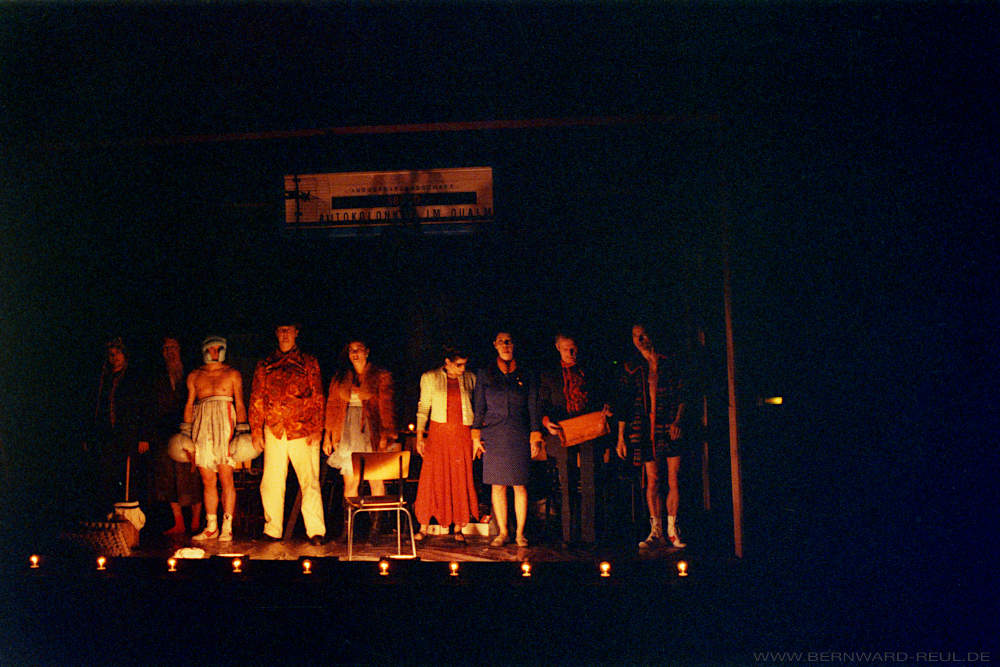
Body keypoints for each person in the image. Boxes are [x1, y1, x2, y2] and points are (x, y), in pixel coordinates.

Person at [251, 322, 326, 545]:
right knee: (271, 481)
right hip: (274, 429)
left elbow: (318, 396)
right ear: (276, 333)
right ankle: (272, 529)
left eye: (289, 330)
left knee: (309, 481)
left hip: (302, 429)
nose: (285, 334)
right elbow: (257, 398)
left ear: (296, 333)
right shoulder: (265, 364)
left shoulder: (308, 362)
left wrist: (317, 428)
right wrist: (256, 431)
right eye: (281, 330)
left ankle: (316, 530)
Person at [616, 323, 688, 549]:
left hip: (668, 425)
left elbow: (683, 394)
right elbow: (624, 403)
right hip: (645, 429)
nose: (640, 340)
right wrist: (621, 437)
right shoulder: (632, 368)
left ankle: (672, 530)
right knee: (653, 479)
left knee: (674, 478)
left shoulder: (669, 362)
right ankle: (655, 530)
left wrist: (678, 420)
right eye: (635, 336)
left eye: (643, 335)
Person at [471, 331, 543, 548]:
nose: (505, 345)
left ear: (514, 345)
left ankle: (520, 533)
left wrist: (535, 434)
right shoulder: (486, 373)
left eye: (509, 342)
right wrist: (476, 436)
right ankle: (503, 532)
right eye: (501, 342)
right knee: (498, 485)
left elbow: (533, 405)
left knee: (519, 485)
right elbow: (479, 407)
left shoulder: (526, 373)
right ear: (495, 345)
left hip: (519, 432)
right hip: (494, 434)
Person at [539, 333, 610, 545]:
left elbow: (602, 397)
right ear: (558, 348)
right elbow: (542, 404)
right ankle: (569, 536)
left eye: (573, 349)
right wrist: (546, 422)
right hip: (563, 432)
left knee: (590, 482)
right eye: (566, 349)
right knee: (567, 483)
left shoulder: (589, 371)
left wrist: (605, 410)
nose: (571, 353)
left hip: (589, 431)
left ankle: (590, 536)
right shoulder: (550, 374)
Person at [323, 338, 396, 543]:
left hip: (370, 430)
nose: (355, 353)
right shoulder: (341, 377)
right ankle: (348, 530)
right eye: (351, 350)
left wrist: (385, 435)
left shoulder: (380, 375)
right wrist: (328, 435)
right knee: (350, 480)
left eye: (359, 349)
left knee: (375, 479)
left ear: (367, 351)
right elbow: (332, 405)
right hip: (347, 430)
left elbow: (387, 406)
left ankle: (375, 529)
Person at [412, 345, 479, 543]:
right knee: (431, 478)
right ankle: (423, 526)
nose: (462, 369)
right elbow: (423, 407)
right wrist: (419, 436)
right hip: (438, 434)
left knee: (460, 477)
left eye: (464, 365)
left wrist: (477, 436)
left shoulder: (470, 378)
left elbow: (477, 407)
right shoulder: (430, 377)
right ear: (447, 362)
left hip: (462, 434)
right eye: (458, 365)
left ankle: (458, 527)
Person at [184, 336, 248, 542]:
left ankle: (227, 527)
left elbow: (239, 402)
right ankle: (211, 526)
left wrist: (242, 431)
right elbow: (189, 403)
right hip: (202, 424)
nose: (214, 352)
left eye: (218, 348)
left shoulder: (232, 374)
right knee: (207, 479)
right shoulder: (195, 375)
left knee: (226, 477)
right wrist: (186, 432)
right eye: (210, 348)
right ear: (204, 350)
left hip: (225, 423)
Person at [86, 336, 152, 514]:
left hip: (129, 434)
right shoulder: (103, 378)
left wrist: (144, 436)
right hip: (107, 434)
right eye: (111, 354)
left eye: (118, 353)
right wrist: (90, 435)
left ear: (125, 355)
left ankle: (128, 515)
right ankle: (108, 512)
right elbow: (95, 408)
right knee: (106, 473)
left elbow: (144, 407)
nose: (114, 357)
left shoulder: (134, 377)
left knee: (129, 475)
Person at [151, 336, 202, 535]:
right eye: (166, 348)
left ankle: (196, 521)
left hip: (189, 430)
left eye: (173, 347)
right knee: (168, 478)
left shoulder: (191, 372)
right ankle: (178, 522)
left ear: (179, 349)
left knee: (191, 476)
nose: (169, 352)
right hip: (164, 431)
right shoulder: (158, 376)